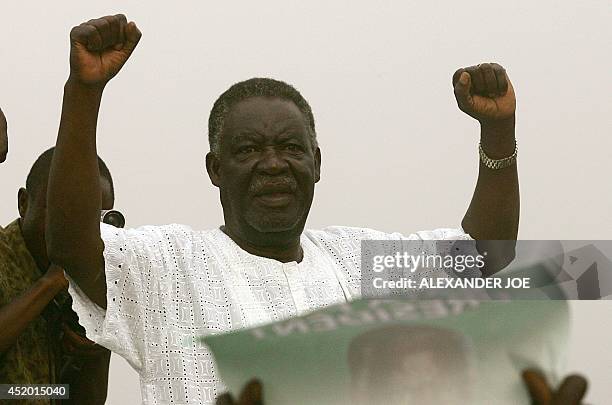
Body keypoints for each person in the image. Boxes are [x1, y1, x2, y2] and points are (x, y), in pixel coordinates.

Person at [46, 14, 523, 404]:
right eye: (249, 149)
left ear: (316, 164)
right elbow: (72, 242)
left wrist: (498, 131)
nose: (272, 164)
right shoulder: (169, 264)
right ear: (215, 169)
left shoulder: (356, 261)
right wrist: (84, 92)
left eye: (291, 148)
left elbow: (484, 256)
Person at [0, 146, 114, 404]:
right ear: (24, 203)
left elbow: (79, 400)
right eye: (62, 214)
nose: (75, 230)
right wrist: (50, 283)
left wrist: (95, 352)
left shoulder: (85, 286)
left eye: (91, 220)